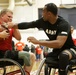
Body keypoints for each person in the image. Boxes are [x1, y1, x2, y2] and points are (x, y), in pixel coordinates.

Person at [7, 3, 76, 75]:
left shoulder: (63, 24)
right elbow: (29, 24)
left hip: (70, 49)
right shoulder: (43, 22)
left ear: (49, 14)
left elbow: (59, 44)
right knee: (47, 55)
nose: (42, 13)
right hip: (57, 51)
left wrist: (38, 42)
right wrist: (13, 26)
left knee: (63, 55)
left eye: (43, 11)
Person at [0, 9, 35, 75]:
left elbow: (19, 38)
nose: (10, 19)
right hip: (2, 53)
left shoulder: (10, 26)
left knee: (32, 56)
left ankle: (25, 73)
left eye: (11, 17)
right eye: (9, 17)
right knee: (29, 56)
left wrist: (14, 26)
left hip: (8, 53)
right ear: (2, 16)